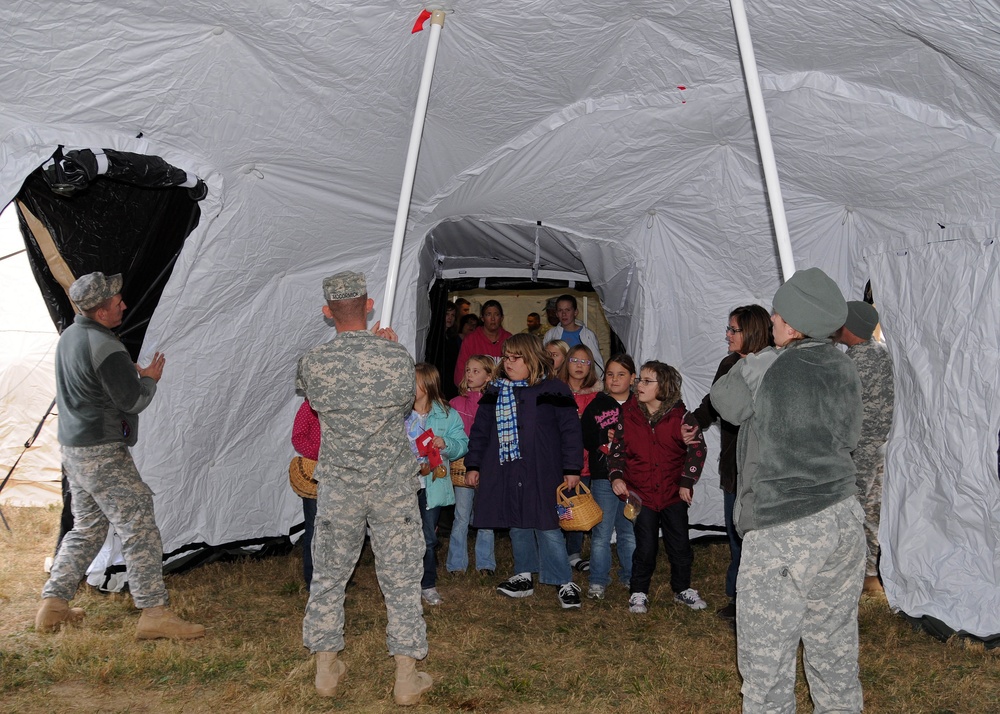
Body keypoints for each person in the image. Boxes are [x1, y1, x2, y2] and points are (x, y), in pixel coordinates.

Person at [711, 267, 865, 714]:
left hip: (785, 527)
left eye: (778, 315)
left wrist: (750, 358)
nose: (772, 321)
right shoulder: (844, 365)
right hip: (842, 518)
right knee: (834, 652)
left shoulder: (767, 365)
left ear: (795, 324)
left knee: (766, 666)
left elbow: (725, 403)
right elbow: (852, 437)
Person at [35, 271, 204, 640]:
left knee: (87, 528)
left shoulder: (69, 338)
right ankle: (153, 612)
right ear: (99, 312)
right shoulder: (105, 345)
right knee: (139, 523)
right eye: (116, 302)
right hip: (102, 452)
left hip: (74, 451)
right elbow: (133, 401)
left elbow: (93, 387)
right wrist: (149, 380)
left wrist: (129, 376)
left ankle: (53, 605)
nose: (123, 305)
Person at [296, 270, 431, 705]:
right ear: (369, 305)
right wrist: (387, 349)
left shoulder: (313, 362)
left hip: (340, 485)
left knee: (329, 576)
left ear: (326, 312)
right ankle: (407, 676)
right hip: (392, 484)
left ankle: (326, 668)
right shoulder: (395, 358)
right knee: (402, 576)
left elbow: (315, 402)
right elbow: (406, 401)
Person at [464, 334, 585, 609]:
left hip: (544, 469)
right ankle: (524, 575)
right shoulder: (495, 390)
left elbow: (570, 432)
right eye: (506, 357)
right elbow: (480, 431)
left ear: (531, 358)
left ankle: (563, 580)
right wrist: (474, 464)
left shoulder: (555, 389)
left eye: (515, 357)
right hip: (507, 468)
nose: (509, 362)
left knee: (548, 524)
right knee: (517, 520)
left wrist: (571, 467)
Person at [690, 305, 773, 621]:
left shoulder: (774, 366)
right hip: (732, 469)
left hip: (765, 469)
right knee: (737, 535)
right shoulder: (728, 364)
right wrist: (691, 423)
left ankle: (765, 599)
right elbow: (712, 405)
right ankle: (738, 599)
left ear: (751, 331)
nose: (727, 334)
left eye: (733, 329)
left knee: (763, 538)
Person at [609, 361, 708, 614]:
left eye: (646, 381)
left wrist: (686, 481)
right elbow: (617, 450)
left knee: (680, 544)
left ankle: (682, 588)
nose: (638, 385)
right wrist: (617, 476)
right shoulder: (628, 414)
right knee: (646, 546)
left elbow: (697, 449)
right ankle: (639, 591)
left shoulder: (681, 417)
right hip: (641, 495)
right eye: (639, 379)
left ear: (663, 387)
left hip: (672, 494)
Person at [834, 300, 894, 594]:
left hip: (857, 450)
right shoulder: (883, 352)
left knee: (850, 513)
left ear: (849, 327)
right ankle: (870, 574)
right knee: (872, 512)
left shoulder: (852, 362)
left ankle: (847, 575)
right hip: (882, 447)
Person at [405, 363, 469, 606]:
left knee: (428, 537)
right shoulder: (399, 413)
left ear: (429, 385)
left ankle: (427, 584)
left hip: (432, 484)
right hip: (405, 484)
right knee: (403, 535)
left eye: (415, 381)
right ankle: (405, 582)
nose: (410, 386)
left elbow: (463, 442)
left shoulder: (447, 414)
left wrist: (447, 444)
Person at [580, 354, 638, 599]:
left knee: (628, 531)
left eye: (621, 374)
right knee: (601, 532)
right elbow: (586, 439)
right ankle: (598, 580)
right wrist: (605, 438)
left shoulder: (640, 405)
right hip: (604, 477)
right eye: (610, 374)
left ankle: (631, 577)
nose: (614, 379)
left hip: (634, 479)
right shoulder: (596, 404)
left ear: (633, 379)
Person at [447, 355, 498, 575]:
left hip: (488, 465)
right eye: (468, 370)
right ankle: (456, 563)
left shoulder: (495, 402)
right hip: (461, 465)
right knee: (461, 515)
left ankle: (485, 562)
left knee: (485, 514)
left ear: (489, 376)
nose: (470, 374)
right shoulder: (456, 403)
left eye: (476, 371)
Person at [557, 344, 603, 572]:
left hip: (585, 464)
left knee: (576, 508)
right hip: (558, 461)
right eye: (575, 360)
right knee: (557, 508)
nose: (579, 366)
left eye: (585, 362)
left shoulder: (597, 396)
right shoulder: (555, 391)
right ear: (567, 363)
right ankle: (553, 552)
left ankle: (573, 553)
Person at [291, 398, 321, 588]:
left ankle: (335, 577)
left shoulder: (344, 405)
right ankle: (313, 578)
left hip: (342, 474)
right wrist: (321, 453)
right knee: (314, 527)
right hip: (316, 474)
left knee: (339, 528)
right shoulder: (309, 406)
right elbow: (298, 437)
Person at [453, 300, 512, 387]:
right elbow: (460, 372)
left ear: (502, 318)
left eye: (496, 314)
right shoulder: (471, 339)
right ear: (482, 318)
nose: (492, 318)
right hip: (476, 393)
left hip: (504, 393)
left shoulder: (509, 339)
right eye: (488, 314)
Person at [542, 294, 605, 374]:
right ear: (557, 313)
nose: (564, 314)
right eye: (560, 310)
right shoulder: (550, 334)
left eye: (567, 310)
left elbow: (596, 362)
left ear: (575, 312)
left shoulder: (588, 335)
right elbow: (544, 359)